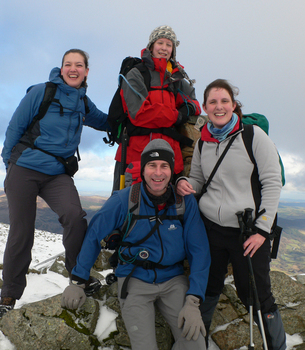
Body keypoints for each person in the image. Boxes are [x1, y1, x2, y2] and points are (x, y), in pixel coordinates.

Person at [61, 139, 211, 350]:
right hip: (135, 280)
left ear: (171, 170)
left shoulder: (184, 202)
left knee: (195, 345)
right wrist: (78, 280)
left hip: (174, 281)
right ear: (143, 168)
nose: (158, 173)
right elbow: (94, 234)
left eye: (164, 166)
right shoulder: (125, 199)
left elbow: (200, 250)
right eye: (152, 165)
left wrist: (194, 299)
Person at [176, 79, 286, 350]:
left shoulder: (253, 136)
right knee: (207, 288)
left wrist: (262, 230)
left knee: (258, 295)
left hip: (249, 232)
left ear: (234, 105)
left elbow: (273, 182)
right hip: (212, 229)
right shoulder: (203, 141)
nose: (219, 106)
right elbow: (199, 181)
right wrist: (183, 182)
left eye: (224, 101)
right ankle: (196, 344)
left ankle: (277, 346)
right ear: (205, 107)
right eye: (212, 102)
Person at [0, 49, 109, 318]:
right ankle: (8, 295)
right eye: (68, 64)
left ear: (86, 71)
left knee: (75, 216)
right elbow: (14, 127)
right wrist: (9, 164)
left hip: (57, 172)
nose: (73, 69)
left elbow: (106, 122)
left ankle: (79, 276)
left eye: (79, 65)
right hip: (24, 167)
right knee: (22, 231)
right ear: (61, 69)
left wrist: (132, 121)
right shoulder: (42, 92)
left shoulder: (83, 102)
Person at [112, 25, 201, 191]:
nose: (164, 48)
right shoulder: (136, 74)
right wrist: (177, 115)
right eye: (160, 43)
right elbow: (140, 114)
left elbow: (196, 105)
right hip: (135, 157)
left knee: (168, 212)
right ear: (151, 46)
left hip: (170, 158)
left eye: (169, 45)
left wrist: (186, 110)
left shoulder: (176, 78)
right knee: (127, 210)